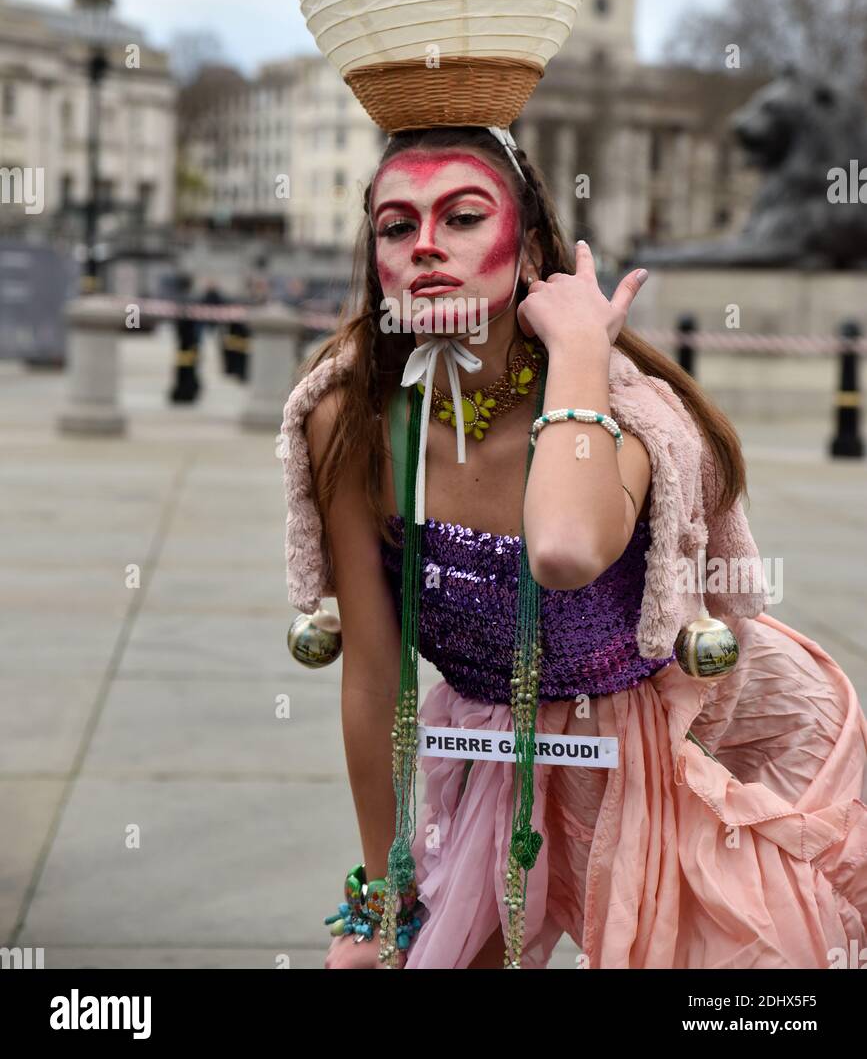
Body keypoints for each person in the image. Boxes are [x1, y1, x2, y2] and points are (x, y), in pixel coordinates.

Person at [279, 124, 867, 970]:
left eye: (465, 217)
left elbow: (562, 550)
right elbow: (373, 676)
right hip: (494, 748)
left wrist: (581, 349)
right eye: (396, 226)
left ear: (531, 252)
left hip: (676, 750)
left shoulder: (625, 410)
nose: (427, 247)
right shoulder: (349, 417)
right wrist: (381, 900)